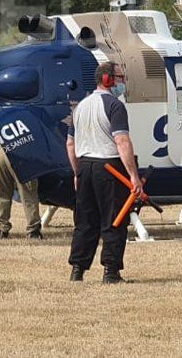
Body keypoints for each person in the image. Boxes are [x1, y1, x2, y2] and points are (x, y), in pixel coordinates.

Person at [66, 62, 142, 284]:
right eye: (119, 77)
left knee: (85, 221)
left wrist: (76, 172)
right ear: (108, 79)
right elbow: (122, 141)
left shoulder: (79, 107)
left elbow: (70, 144)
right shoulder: (115, 105)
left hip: (85, 167)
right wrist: (133, 176)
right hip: (109, 168)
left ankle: (77, 269)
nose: (122, 82)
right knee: (114, 220)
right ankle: (110, 271)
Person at [0, 145, 42, 239]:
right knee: (28, 193)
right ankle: (33, 230)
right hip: (22, 149)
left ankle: (2, 228)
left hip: (1, 149)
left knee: (3, 192)